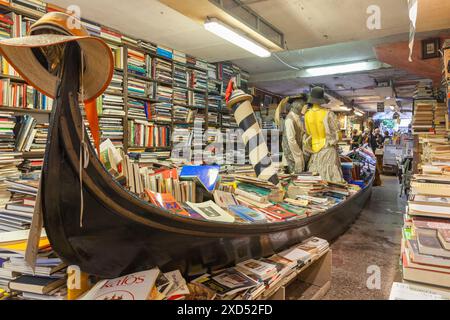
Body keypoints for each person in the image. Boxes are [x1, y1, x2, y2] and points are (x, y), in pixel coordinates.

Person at [304, 87, 344, 183]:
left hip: (315, 151)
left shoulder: (307, 114)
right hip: (327, 149)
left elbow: (308, 132)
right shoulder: (328, 113)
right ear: (321, 100)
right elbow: (338, 136)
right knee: (330, 178)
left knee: (316, 179)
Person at [282, 95, 308, 174]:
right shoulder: (289, 119)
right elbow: (291, 140)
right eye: (302, 104)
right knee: (294, 174)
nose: (304, 106)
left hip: (298, 149)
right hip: (292, 151)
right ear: (296, 105)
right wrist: (299, 154)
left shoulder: (298, 117)